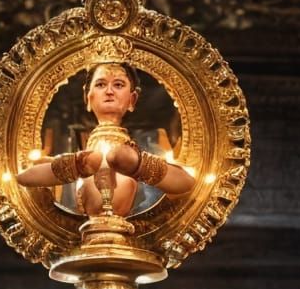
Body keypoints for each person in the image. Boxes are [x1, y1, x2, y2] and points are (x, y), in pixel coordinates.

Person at [15, 61, 196, 217]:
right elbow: (23, 177)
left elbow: (187, 183)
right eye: (101, 84)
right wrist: (76, 165)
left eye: (118, 85)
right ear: (88, 97)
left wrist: (135, 164)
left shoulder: (147, 152)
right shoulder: (73, 159)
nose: (109, 91)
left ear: (132, 100)